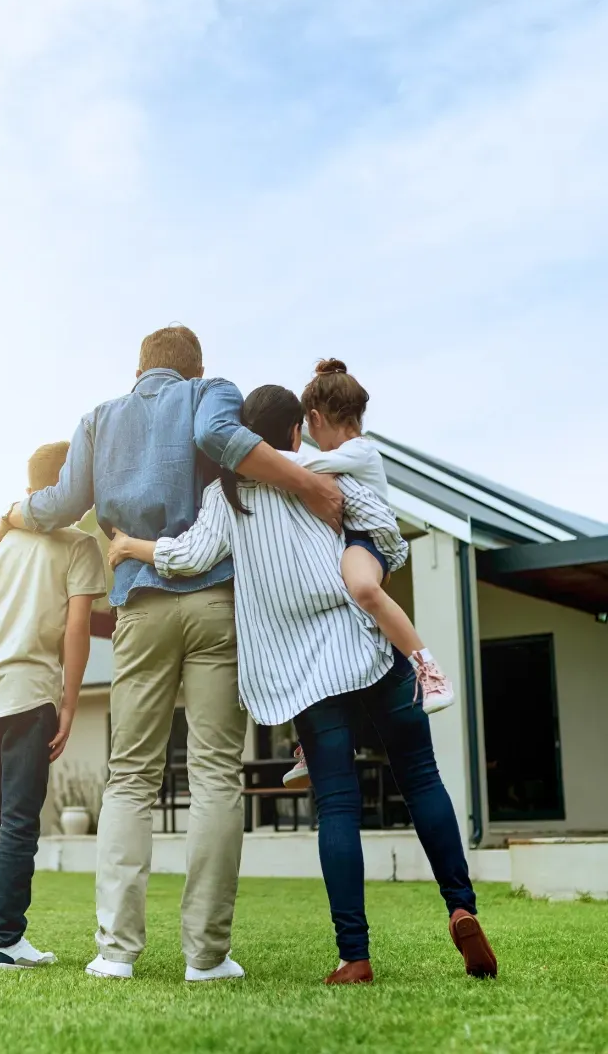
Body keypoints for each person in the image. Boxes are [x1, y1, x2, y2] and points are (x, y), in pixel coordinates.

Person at [0, 325, 343, 982]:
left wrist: (12, 511)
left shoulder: (99, 419)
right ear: (195, 367)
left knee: (130, 778)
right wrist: (307, 484)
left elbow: (61, 504)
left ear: (138, 370)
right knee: (214, 777)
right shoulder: (211, 392)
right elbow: (219, 440)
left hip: (139, 606)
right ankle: (206, 957)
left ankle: (115, 952)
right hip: (214, 606)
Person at [109, 384, 497, 985]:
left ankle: (355, 956)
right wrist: (368, 558)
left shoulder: (226, 495)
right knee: (421, 778)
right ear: (297, 432)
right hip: (367, 648)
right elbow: (383, 533)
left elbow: (187, 556)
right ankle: (461, 906)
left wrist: (130, 545)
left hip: (305, 678)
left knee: (337, 806)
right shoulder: (319, 473)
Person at [0, 441, 107, 969]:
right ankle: (5, 939)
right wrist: (70, 703)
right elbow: (78, 627)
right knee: (17, 819)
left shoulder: (1, 544)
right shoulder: (79, 546)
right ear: (68, 488)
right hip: (30, 695)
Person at [271, 359, 454, 789]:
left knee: (362, 588)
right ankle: (311, 744)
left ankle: (428, 667)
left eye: (308, 427)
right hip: (348, 544)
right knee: (328, 636)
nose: (309, 438)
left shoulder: (359, 451)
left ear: (314, 418)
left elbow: (302, 471)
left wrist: (250, 457)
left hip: (366, 543)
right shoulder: (343, 453)